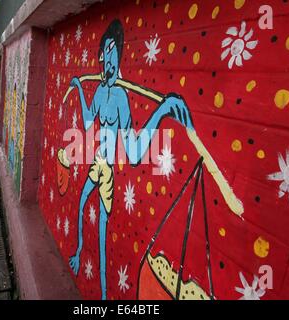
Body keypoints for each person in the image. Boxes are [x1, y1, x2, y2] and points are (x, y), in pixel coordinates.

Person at [67, 20, 193, 300]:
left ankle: (101, 297)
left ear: (119, 56)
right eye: (105, 53)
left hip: (107, 175)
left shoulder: (122, 97)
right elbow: (89, 123)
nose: (108, 60)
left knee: (101, 234)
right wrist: (77, 88)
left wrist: (162, 111)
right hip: (96, 163)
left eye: (113, 53)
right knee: (79, 203)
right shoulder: (100, 92)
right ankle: (77, 250)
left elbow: (134, 152)